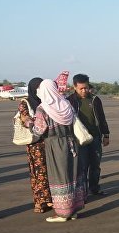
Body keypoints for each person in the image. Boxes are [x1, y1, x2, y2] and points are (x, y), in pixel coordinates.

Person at [33, 79, 86, 222]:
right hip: (71, 142)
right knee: (73, 174)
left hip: (55, 145)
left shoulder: (43, 108)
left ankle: (63, 213)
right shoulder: (66, 104)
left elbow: (38, 130)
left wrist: (26, 123)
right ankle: (74, 210)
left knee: (59, 176)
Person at [67, 74, 110, 195]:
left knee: (95, 165)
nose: (84, 90)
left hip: (95, 137)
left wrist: (106, 134)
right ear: (74, 87)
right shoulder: (70, 101)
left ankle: (94, 188)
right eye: (81, 88)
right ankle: (83, 191)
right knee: (82, 166)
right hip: (79, 139)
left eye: (86, 87)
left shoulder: (95, 100)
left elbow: (101, 118)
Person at [19, 77, 53, 213]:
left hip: (50, 141)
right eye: (37, 87)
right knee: (39, 172)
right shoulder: (25, 102)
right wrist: (36, 123)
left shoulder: (48, 100)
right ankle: (40, 201)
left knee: (51, 171)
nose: (40, 90)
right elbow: (24, 119)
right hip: (36, 143)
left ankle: (50, 199)